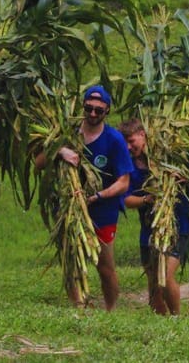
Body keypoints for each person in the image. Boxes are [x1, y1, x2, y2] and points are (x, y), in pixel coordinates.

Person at [42, 85, 133, 310]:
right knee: (71, 260)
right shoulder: (66, 133)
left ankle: (111, 310)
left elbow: (124, 182)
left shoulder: (114, 139)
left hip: (102, 210)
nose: (92, 114)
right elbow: (38, 162)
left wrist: (99, 195)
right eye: (89, 108)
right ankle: (78, 307)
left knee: (105, 266)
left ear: (107, 111)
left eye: (98, 111)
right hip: (69, 206)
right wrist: (60, 151)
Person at [118, 118, 189, 316]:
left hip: (176, 225)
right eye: (124, 142)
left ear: (143, 135)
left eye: (131, 141)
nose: (128, 147)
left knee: (165, 276)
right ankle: (160, 324)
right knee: (153, 282)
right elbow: (126, 199)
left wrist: (186, 176)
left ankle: (177, 320)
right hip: (149, 229)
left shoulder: (168, 153)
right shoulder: (128, 166)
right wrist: (147, 200)